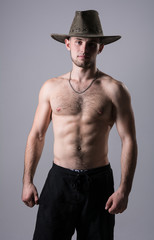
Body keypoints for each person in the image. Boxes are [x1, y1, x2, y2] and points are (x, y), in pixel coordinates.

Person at [22, 10, 137, 240]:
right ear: (67, 44)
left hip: (98, 183)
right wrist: (27, 181)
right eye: (78, 42)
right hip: (59, 181)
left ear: (100, 47)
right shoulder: (51, 87)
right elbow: (37, 135)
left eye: (91, 44)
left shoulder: (115, 90)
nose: (84, 49)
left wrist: (124, 190)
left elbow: (129, 140)